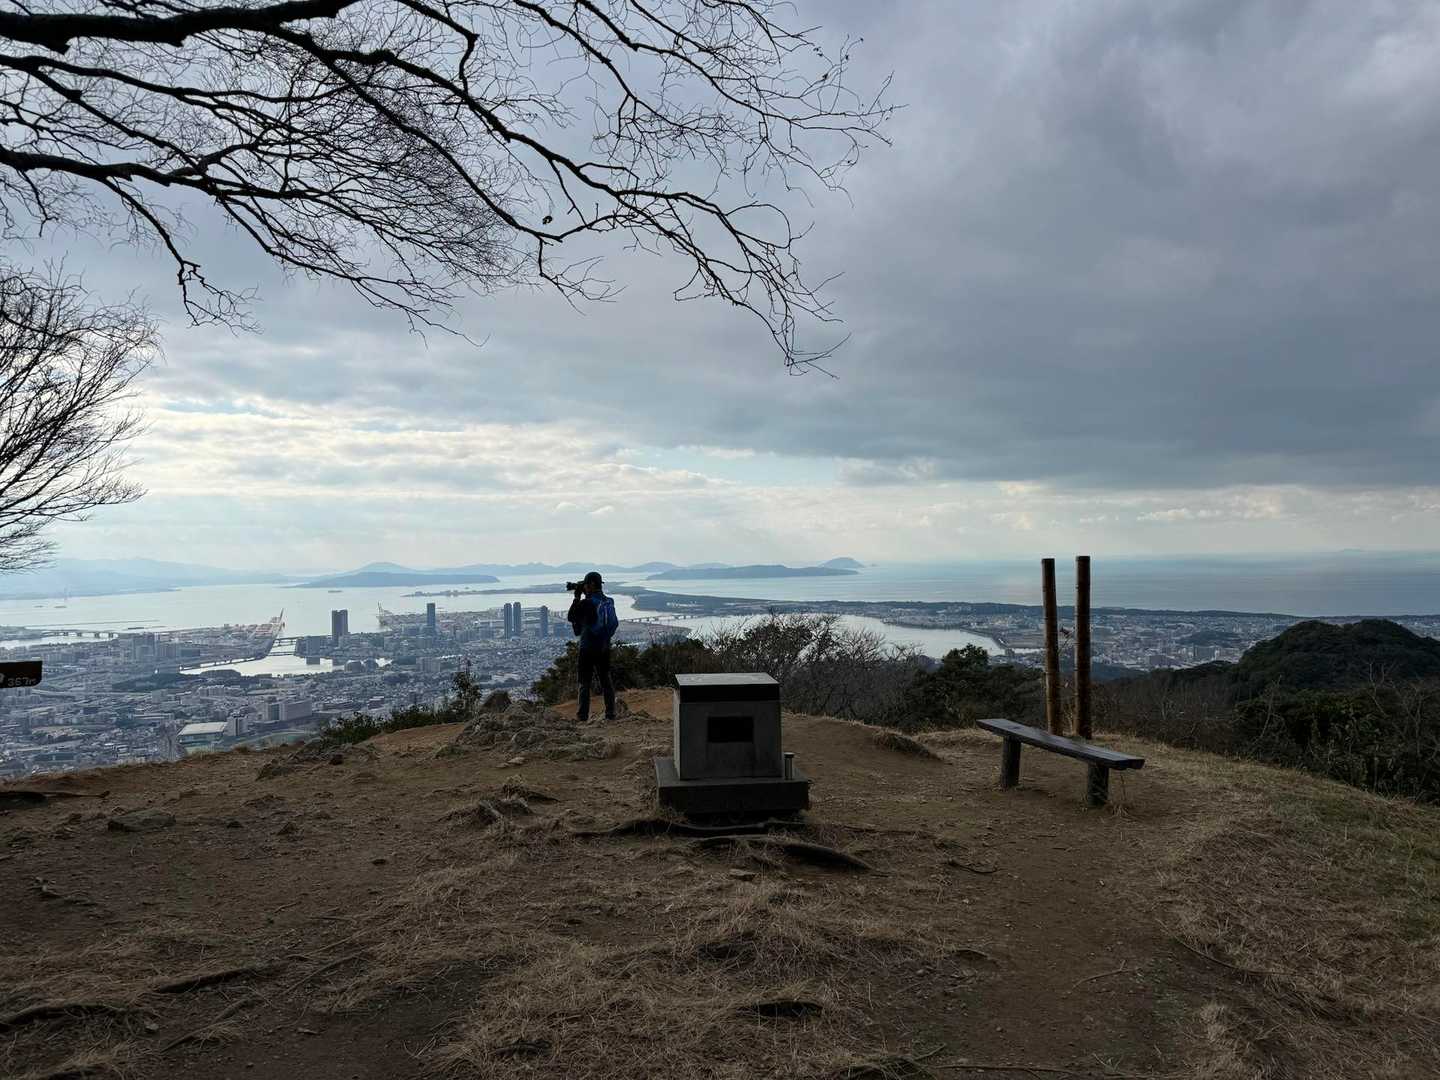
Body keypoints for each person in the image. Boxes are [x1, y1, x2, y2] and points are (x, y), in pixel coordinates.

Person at [567, 570, 618, 722]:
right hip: (604, 647)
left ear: (591, 585)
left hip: (587, 647)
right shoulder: (609, 601)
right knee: (606, 680)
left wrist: (577, 597)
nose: (584, 587)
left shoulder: (586, 603)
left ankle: (582, 716)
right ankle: (610, 714)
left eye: (585, 585)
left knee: (584, 683)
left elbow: (571, 616)